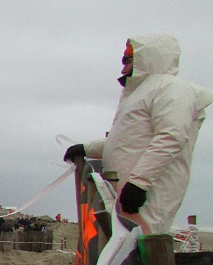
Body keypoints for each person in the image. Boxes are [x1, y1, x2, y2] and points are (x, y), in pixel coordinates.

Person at [63, 35, 213, 234]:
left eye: (128, 60)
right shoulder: (140, 94)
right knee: (125, 247)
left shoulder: (172, 89)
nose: (123, 67)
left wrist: (139, 183)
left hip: (148, 195)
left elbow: (171, 137)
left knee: (145, 245)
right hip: (126, 195)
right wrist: (87, 148)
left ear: (148, 58)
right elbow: (128, 141)